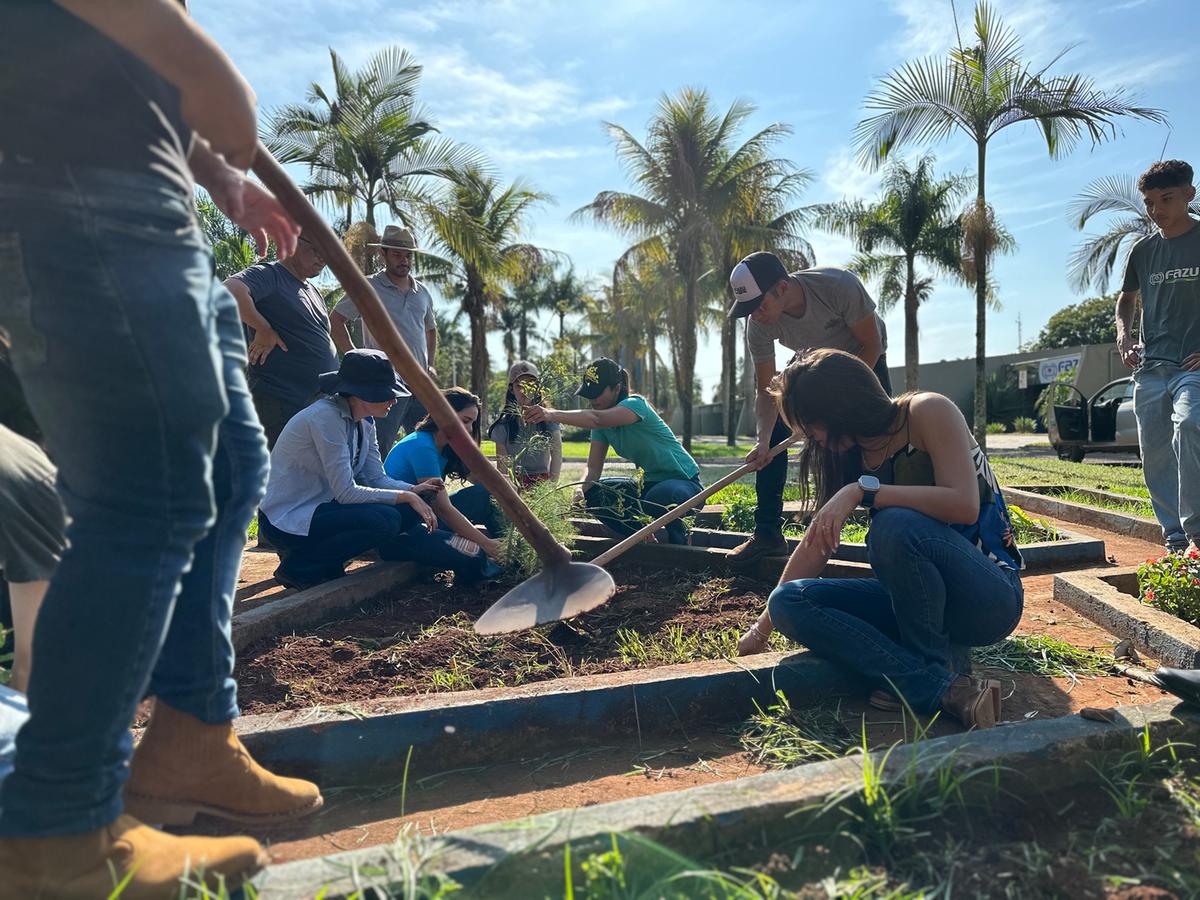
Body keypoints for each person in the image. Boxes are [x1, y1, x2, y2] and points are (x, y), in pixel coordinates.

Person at [0, 1, 323, 893]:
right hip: (70, 200)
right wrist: (211, 76)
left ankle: (192, 738)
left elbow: (113, 68)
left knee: (224, 470)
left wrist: (217, 171)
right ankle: (60, 824)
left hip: (143, 206)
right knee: (148, 494)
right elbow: (137, 37)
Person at [737, 350, 1024, 730]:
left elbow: (964, 505)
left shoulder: (926, 412)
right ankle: (944, 686)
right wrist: (762, 628)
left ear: (839, 409)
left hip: (988, 595)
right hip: (917, 604)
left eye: (813, 427)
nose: (814, 441)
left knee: (893, 526)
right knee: (789, 601)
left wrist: (865, 491)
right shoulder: (851, 452)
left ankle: (930, 668)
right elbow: (816, 543)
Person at [259, 351, 499, 588]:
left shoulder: (365, 422)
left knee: (410, 509)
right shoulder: (325, 419)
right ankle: (298, 567)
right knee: (383, 521)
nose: (394, 401)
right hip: (289, 518)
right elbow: (346, 492)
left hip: (325, 509)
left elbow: (375, 477)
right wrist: (406, 495)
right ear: (361, 393)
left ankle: (325, 564)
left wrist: (414, 490)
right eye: (387, 394)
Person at [726, 252, 892, 564]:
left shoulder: (837, 286)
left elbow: (872, 345)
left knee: (879, 437)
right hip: (813, 366)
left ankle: (885, 532)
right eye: (750, 309)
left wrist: (842, 399)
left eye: (761, 305)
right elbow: (767, 389)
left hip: (864, 357)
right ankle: (767, 534)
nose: (757, 315)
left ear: (783, 287)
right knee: (775, 428)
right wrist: (763, 441)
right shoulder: (758, 325)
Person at [525, 358, 703, 545]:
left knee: (660, 496)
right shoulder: (601, 423)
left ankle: (680, 542)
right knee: (595, 492)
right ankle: (641, 538)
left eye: (597, 393)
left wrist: (549, 413)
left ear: (616, 388)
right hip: (648, 486)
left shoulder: (636, 405)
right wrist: (580, 488)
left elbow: (596, 419)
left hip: (685, 486)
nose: (592, 399)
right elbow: (593, 468)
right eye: (588, 394)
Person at [1116, 159, 1200, 554]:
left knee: (1190, 424)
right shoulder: (1143, 249)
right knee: (1156, 452)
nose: (1156, 210)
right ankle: (1176, 539)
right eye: (1150, 202)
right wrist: (1124, 335)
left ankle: (1197, 534)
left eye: (1166, 198)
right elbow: (1126, 299)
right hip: (1150, 368)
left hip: (1191, 366)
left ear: (1189, 194)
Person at [330, 225, 438, 455]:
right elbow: (336, 320)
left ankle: (421, 490)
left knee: (425, 445)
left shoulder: (424, 293)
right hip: (385, 383)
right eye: (397, 254)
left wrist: (431, 364)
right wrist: (356, 358)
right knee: (378, 447)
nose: (404, 260)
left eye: (408, 255)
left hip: (420, 383)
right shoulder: (368, 286)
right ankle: (371, 490)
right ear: (383, 254)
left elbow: (431, 330)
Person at [224, 230, 336, 449]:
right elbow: (229, 291)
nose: (323, 257)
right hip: (278, 402)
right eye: (316, 248)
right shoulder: (271, 274)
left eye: (327, 250)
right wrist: (263, 328)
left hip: (309, 406)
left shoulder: (311, 289)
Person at [384, 388, 506, 555]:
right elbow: (442, 508)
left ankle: (512, 548)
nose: (470, 429)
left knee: (486, 494)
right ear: (443, 414)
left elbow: (480, 479)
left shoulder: (446, 446)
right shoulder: (423, 446)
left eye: (472, 423)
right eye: (465, 420)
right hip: (407, 526)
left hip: (429, 516)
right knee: (475, 554)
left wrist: (505, 486)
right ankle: (500, 553)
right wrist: (486, 543)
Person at [489, 360, 563, 487]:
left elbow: (557, 454)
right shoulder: (503, 425)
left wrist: (551, 486)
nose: (524, 390)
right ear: (511, 389)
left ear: (538, 389)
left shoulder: (549, 419)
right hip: (514, 483)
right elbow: (503, 468)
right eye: (519, 386)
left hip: (542, 483)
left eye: (530, 385)